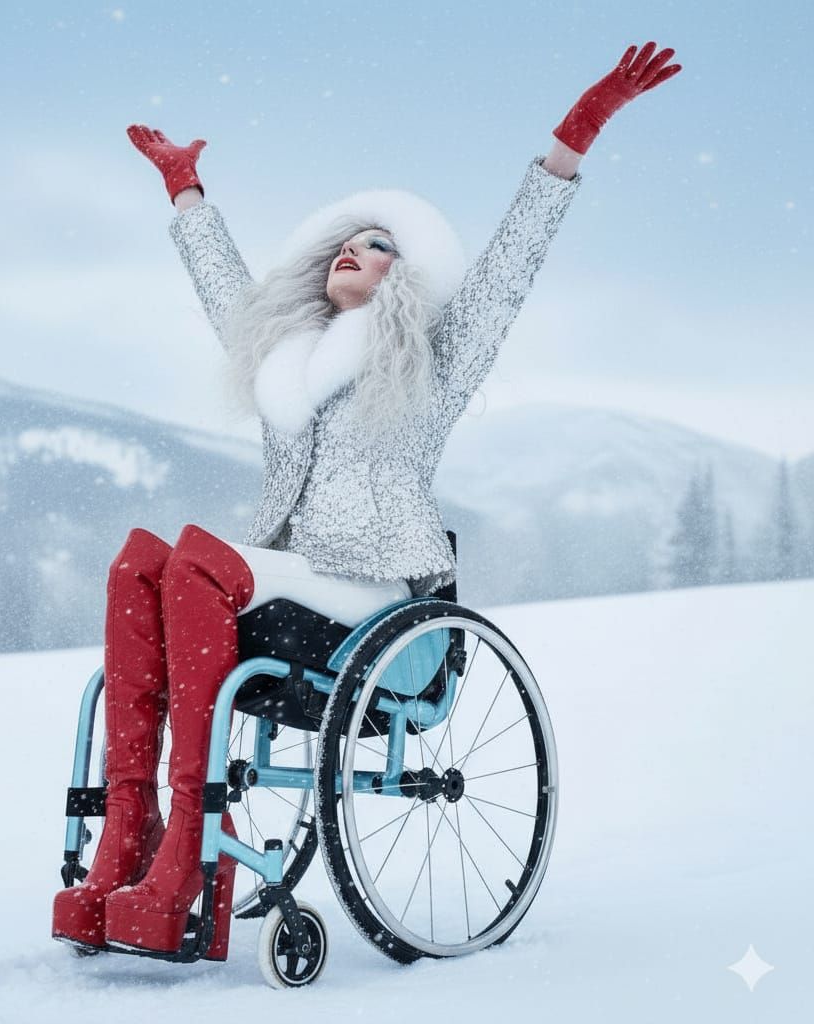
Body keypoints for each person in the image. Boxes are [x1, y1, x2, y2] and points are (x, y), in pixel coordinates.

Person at [52, 41, 682, 959]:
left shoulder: (434, 361)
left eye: (379, 245)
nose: (355, 248)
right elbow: (227, 290)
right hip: (289, 589)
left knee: (190, 557)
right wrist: (186, 191)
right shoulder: (289, 370)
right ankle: (130, 842)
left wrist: (577, 132)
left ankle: (186, 856)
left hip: (376, 606)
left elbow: (510, 265)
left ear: (410, 276)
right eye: (345, 242)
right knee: (139, 562)